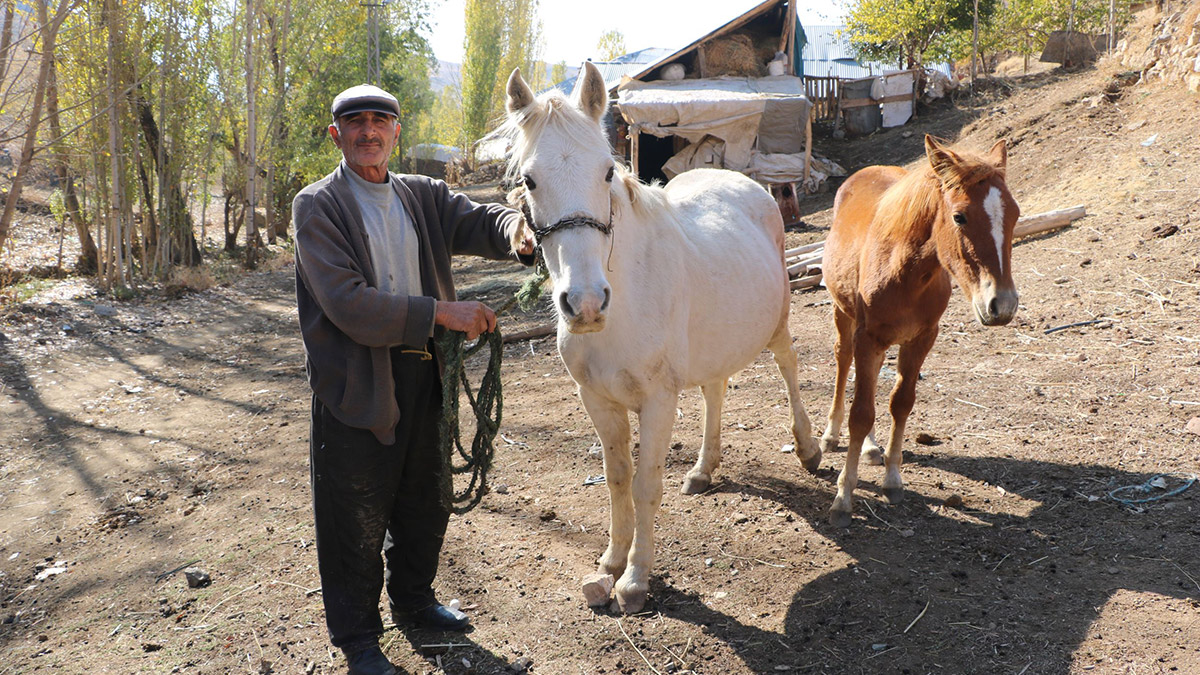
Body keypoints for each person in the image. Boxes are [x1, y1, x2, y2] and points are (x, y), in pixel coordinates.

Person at [292, 84, 534, 675]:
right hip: (358, 383)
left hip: (426, 372)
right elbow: (349, 304)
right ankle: (358, 641)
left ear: (397, 132)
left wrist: (516, 232)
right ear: (336, 135)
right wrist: (441, 313)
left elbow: (479, 218)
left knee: (426, 498)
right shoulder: (317, 206)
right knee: (355, 514)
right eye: (355, 122)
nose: (368, 131)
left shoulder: (421, 195)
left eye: (380, 120)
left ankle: (415, 601)